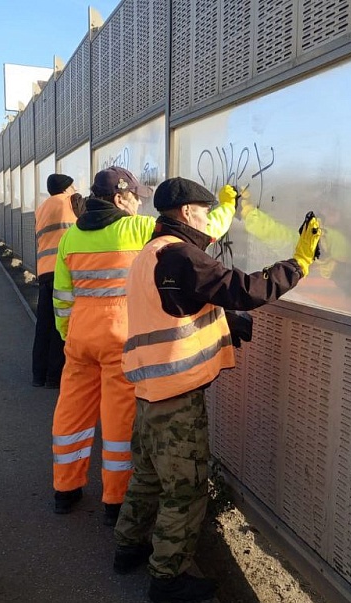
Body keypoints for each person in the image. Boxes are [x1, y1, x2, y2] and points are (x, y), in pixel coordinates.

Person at [113, 176, 322, 603]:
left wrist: (222, 323)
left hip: (149, 391)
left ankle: (128, 548)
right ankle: (167, 577)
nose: (208, 219)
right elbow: (242, 289)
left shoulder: (152, 252)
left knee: (148, 477)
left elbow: (183, 303)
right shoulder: (180, 256)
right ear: (187, 212)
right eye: (205, 211)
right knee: (185, 488)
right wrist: (298, 263)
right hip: (175, 396)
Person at [50, 167, 236, 526]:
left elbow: (62, 297)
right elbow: (201, 230)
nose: (139, 204)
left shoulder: (71, 236)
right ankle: (115, 499)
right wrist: (227, 206)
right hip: (120, 336)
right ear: (120, 199)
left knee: (71, 409)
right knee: (119, 417)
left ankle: (65, 488)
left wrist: (68, 335)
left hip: (79, 337)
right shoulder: (138, 229)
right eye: (135, 198)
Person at [32, 173, 81, 388]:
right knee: (61, 324)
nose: (76, 189)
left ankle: (38, 375)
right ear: (67, 188)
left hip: (44, 270)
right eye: (73, 186)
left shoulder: (41, 208)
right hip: (65, 270)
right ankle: (54, 377)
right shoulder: (72, 201)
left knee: (43, 325)